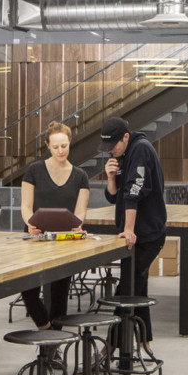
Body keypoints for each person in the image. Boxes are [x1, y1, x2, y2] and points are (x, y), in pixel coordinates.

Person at [100, 115, 167, 346]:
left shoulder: (140, 150)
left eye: (113, 145)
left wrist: (128, 230)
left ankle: (112, 348)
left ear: (125, 137)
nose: (111, 151)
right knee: (137, 287)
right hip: (137, 236)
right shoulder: (123, 153)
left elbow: (133, 192)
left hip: (146, 235)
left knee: (125, 291)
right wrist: (110, 177)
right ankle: (144, 342)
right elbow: (114, 196)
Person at [19, 120, 90, 329]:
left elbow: (80, 211)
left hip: (64, 242)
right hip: (35, 240)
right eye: (56, 147)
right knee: (28, 290)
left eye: (64, 146)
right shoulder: (34, 170)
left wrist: (78, 225)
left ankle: (53, 347)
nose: (61, 151)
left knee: (60, 294)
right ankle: (46, 330)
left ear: (70, 143)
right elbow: (26, 205)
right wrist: (29, 223)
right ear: (48, 146)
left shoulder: (80, 176)